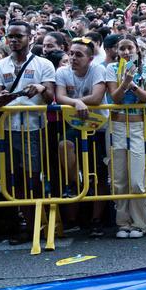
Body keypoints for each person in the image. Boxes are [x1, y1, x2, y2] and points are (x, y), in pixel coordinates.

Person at [0, 21, 56, 244]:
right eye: (11, 36)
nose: (14, 40)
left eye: (19, 36)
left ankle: (37, 223)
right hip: (8, 128)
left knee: (33, 177)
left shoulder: (44, 64)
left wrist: (41, 88)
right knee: (13, 178)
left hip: (34, 128)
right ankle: (26, 223)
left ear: (30, 37)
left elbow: (50, 96)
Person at [54, 36, 109, 237]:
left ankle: (96, 220)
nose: (73, 58)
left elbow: (96, 97)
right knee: (64, 145)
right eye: (71, 54)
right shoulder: (62, 71)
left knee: (99, 173)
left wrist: (76, 101)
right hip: (74, 124)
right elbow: (59, 97)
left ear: (90, 58)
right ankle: (76, 184)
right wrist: (77, 103)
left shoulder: (98, 70)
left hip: (99, 125)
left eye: (79, 55)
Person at [106, 36, 146, 238]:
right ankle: (123, 223)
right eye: (122, 49)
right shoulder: (111, 68)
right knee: (119, 178)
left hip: (138, 126)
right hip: (117, 125)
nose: (126, 52)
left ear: (137, 49)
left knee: (137, 178)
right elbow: (115, 98)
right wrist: (125, 80)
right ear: (117, 51)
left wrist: (133, 84)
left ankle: (139, 224)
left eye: (130, 48)